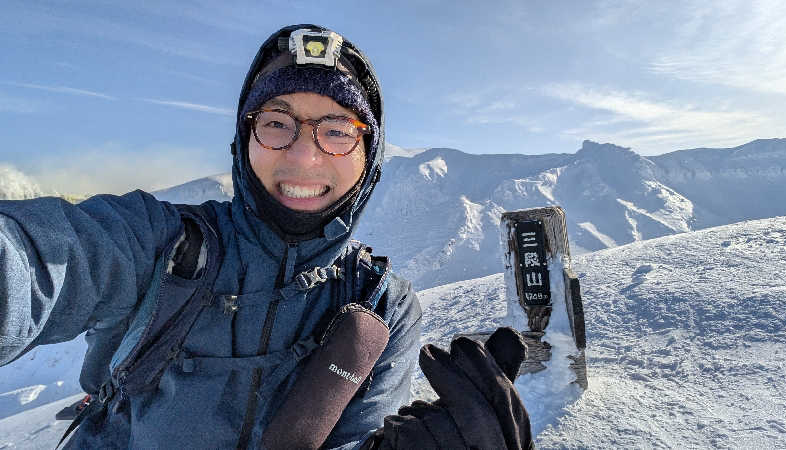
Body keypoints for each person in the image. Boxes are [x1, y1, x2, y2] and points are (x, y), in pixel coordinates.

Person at [0, 24, 531, 449]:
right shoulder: (160, 245)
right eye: (277, 123)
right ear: (244, 137)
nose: (304, 156)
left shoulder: (381, 307)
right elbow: (36, 260)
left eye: (337, 131)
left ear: (370, 157)